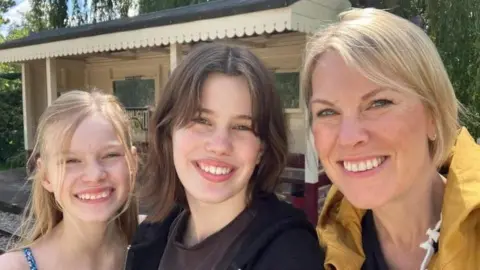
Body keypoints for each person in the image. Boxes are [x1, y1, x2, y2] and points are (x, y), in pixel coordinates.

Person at [302, 8, 480, 270]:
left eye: (378, 103)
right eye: (327, 111)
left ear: (434, 114)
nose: (350, 138)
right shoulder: (317, 254)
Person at [124, 43, 325, 270]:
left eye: (241, 127)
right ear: (169, 132)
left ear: (262, 149)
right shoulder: (151, 236)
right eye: (201, 120)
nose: (220, 146)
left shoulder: (289, 255)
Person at [0, 90, 139, 270]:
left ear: (132, 163)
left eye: (110, 155)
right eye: (71, 160)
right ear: (46, 176)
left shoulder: (159, 242)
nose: (94, 175)